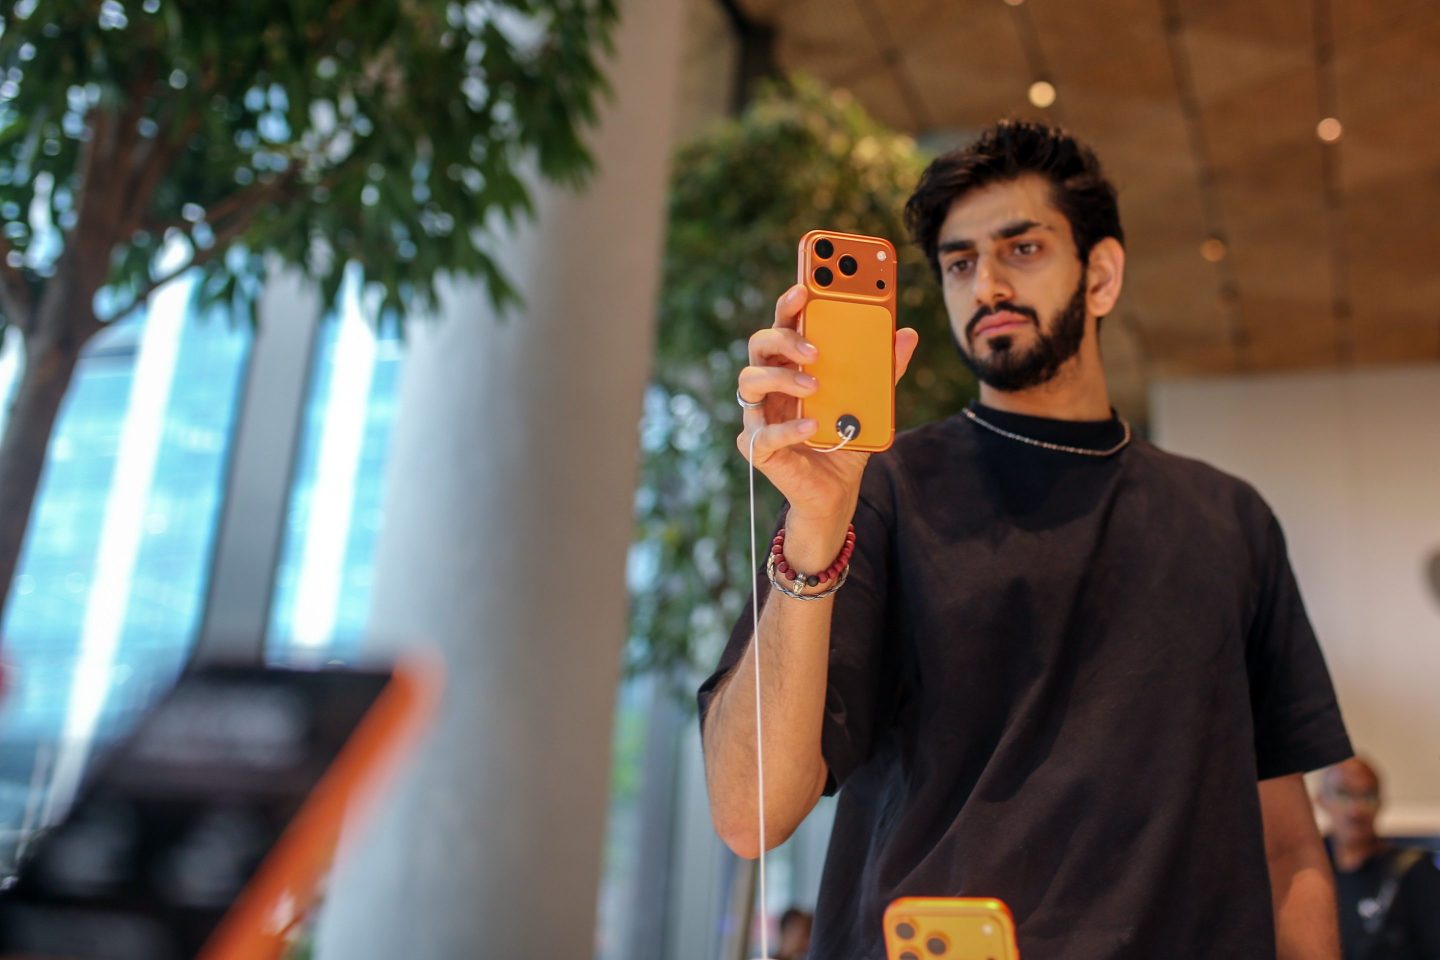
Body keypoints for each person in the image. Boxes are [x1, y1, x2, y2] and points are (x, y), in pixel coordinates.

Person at [697, 120, 1353, 959]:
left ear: (1102, 274)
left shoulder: (1229, 520)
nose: (989, 284)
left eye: (1024, 249)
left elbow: (1289, 849)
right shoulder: (880, 490)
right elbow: (748, 811)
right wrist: (815, 524)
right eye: (960, 263)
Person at [1317, 756, 1440, 959]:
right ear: (1321, 799)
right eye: (1343, 794)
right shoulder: (1309, 871)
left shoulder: (1412, 870)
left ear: (1380, 803)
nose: (1355, 810)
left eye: (1367, 796)